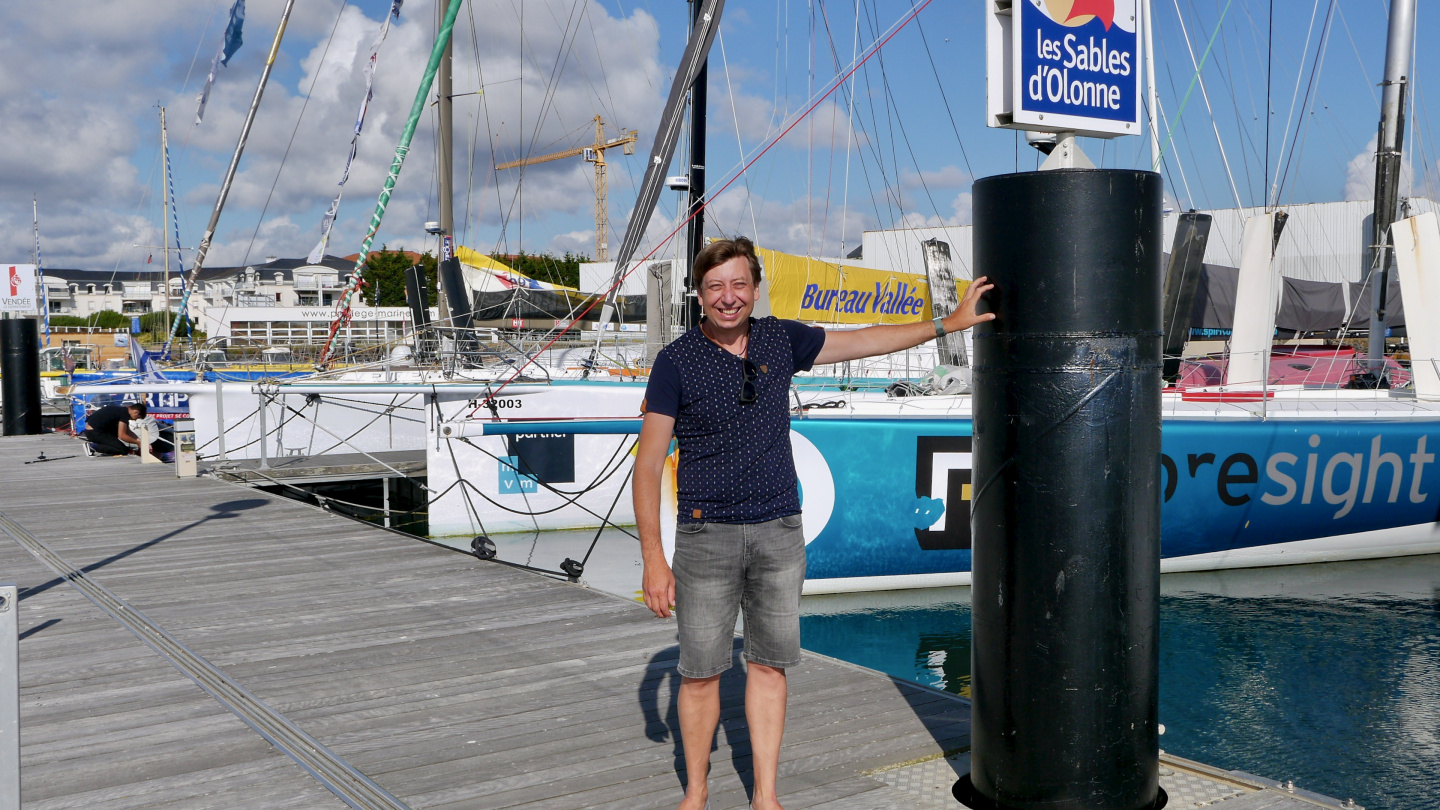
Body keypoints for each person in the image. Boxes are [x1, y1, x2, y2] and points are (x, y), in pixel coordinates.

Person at [633, 237, 993, 810]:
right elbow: (648, 465)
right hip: (706, 539)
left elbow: (865, 342)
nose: (728, 298)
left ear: (754, 287)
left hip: (779, 533)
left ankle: (766, 796)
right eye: (714, 287)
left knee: (770, 667)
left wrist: (947, 325)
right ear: (698, 295)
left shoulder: (780, 338)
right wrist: (654, 557)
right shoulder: (675, 362)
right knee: (699, 673)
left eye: (738, 285)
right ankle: (696, 794)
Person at [84, 401, 149, 456]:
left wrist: (140, 440)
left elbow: (127, 431)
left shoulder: (122, 411)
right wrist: (138, 442)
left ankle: (101, 446)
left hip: (92, 430)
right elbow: (122, 436)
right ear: (136, 412)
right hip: (94, 433)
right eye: (137, 418)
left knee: (119, 444)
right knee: (123, 450)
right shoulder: (125, 414)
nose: (135, 420)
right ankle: (93, 447)